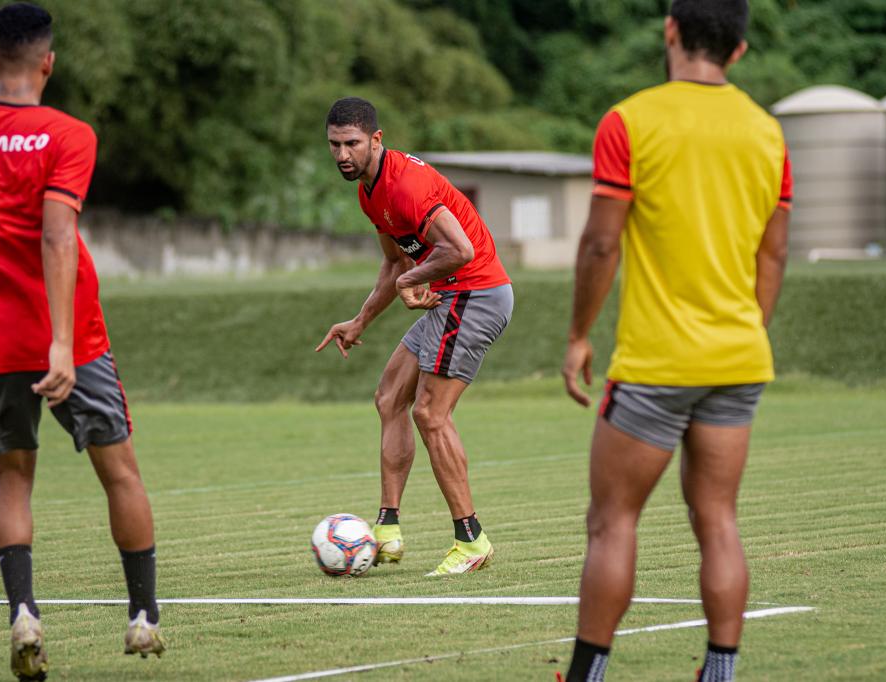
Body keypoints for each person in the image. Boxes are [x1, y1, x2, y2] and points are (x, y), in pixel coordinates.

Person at [559, 1, 792, 680]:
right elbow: (773, 257)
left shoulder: (630, 121)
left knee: (612, 522)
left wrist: (578, 334)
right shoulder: (768, 132)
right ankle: (719, 673)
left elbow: (602, 242)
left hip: (656, 364)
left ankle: (585, 675)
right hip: (739, 357)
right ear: (740, 50)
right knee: (717, 518)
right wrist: (745, 332)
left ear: (670, 31)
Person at [0, 4, 164, 679]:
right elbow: (57, 234)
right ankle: (143, 621)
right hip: (73, 337)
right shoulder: (68, 133)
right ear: (48, 63)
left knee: (12, 477)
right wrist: (62, 345)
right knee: (119, 472)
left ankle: (24, 614)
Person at [316, 97, 513, 576]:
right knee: (389, 397)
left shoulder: (407, 187)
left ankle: (471, 540)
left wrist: (410, 281)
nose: (343, 154)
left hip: (476, 294)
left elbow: (460, 249)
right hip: (451, 297)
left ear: (376, 140)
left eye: (353, 144)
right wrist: (360, 321)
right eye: (335, 145)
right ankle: (387, 531)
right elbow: (394, 265)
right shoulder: (370, 192)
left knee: (430, 412)